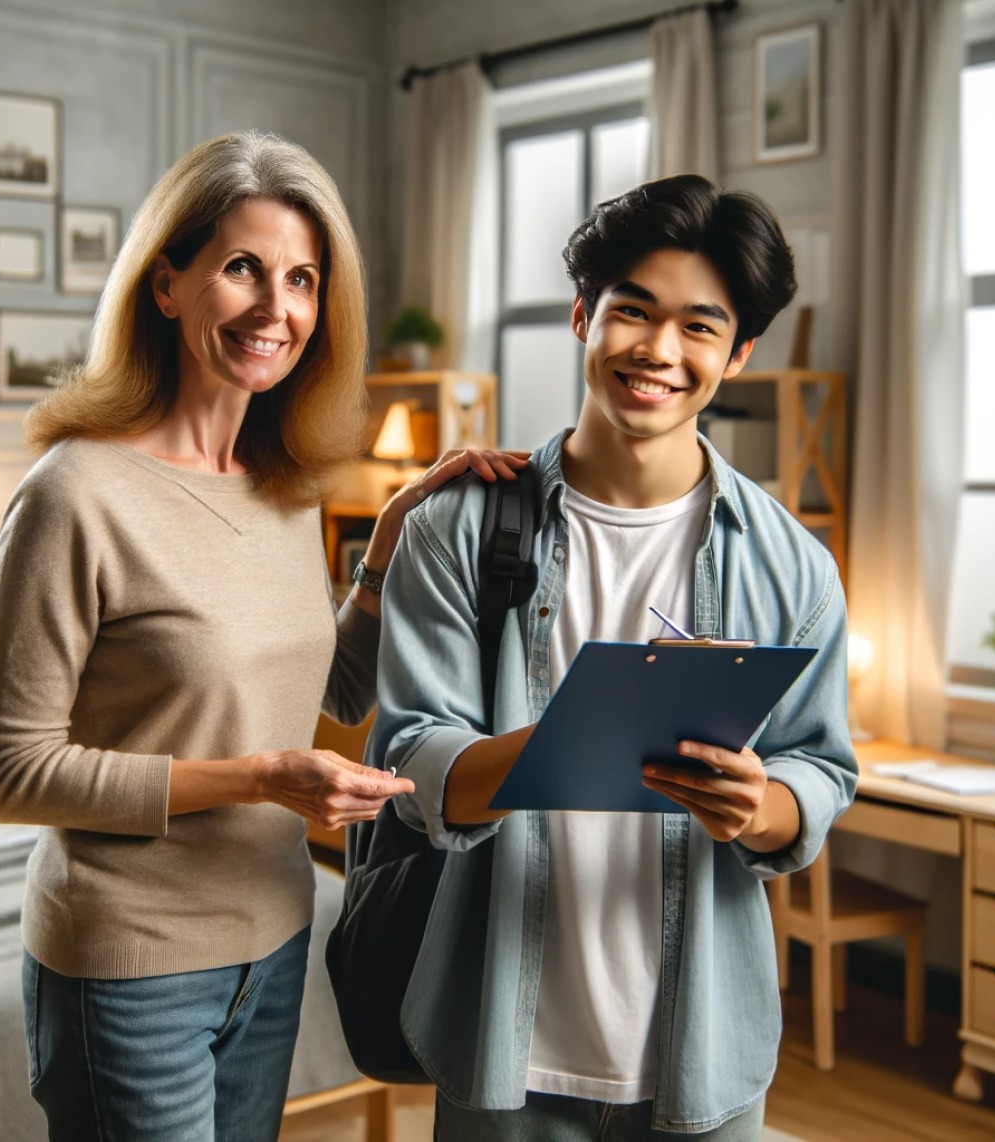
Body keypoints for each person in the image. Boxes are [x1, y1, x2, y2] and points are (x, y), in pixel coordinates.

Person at [0, 131, 526, 1141]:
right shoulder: (74, 494)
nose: (277, 309)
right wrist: (260, 779)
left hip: (274, 941)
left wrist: (385, 547)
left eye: (302, 279)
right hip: (126, 960)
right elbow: (12, 772)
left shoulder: (281, 488)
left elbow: (333, 693)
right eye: (242, 269)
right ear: (167, 283)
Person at [367, 174, 858, 1139]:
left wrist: (761, 805)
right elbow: (408, 754)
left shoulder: (795, 566)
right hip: (496, 1043)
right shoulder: (457, 529)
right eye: (632, 312)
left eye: (700, 328)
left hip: (701, 1057)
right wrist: (569, 739)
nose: (659, 353)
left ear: (739, 353)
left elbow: (823, 767)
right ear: (584, 316)